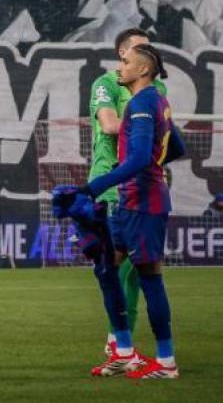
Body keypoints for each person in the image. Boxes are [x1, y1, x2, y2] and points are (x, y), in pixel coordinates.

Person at [63, 43, 184, 380]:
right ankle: (123, 351)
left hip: (145, 203)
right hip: (128, 199)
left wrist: (93, 186)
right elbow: (177, 146)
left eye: (127, 62)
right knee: (107, 269)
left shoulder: (144, 102)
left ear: (143, 70)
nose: (120, 67)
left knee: (149, 277)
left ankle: (166, 362)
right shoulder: (153, 101)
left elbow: (141, 158)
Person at [86, 28, 166, 363]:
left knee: (134, 268)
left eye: (145, 50)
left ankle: (122, 345)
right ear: (122, 53)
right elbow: (107, 125)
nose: (140, 54)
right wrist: (144, 127)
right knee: (114, 268)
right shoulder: (105, 83)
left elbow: (168, 139)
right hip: (109, 184)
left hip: (138, 185)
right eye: (136, 48)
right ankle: (122, 343)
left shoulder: (154, 89)